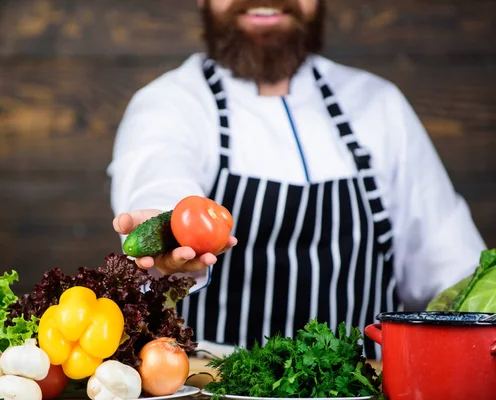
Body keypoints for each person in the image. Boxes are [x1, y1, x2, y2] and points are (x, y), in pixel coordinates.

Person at [107, 0, 486, 359]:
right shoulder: (169, 104)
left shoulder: (380, 106)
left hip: (359, 389)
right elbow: (160, 176)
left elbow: (455, 272)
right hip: (213, 385)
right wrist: (166, 232)